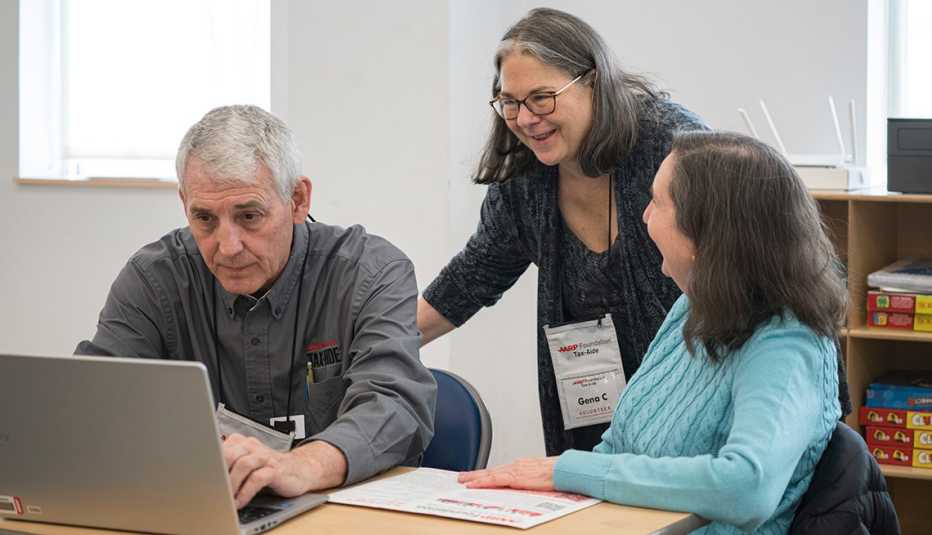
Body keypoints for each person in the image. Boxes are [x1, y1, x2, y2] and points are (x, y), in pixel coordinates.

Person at [458, 131, 848, 534]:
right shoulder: (693, 308)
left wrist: (569, 471)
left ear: (705, 233)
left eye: (658, 202)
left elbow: (746, 488)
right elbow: (618, 446)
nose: (644, 216)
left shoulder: (786, 342)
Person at [76, 105, 436, 509]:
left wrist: (301, 466)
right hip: (204, 512)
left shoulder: (370, 273)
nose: (228, 246)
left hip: (339, 513)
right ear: (184, 203)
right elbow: (94, 404)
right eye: (204, 219)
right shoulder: (154, 280)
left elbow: (394, 405)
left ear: (297, 199)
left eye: (249, 216)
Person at [418, 7, 707, 455]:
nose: (525, 119)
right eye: (510, 102)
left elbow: (736, 271)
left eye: (542, 97)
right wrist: (376, 349)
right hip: (592, 412)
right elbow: (471, 277)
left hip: (691, 402)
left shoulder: (670, 146)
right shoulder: (526, 176)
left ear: (593, 82)